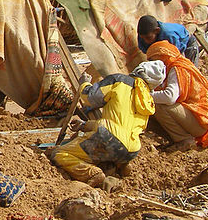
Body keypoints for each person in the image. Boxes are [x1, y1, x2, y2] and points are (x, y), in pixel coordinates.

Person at [50, 61, 165, 189]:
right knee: (106, 150)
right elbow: (119, 124)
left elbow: (90, 97)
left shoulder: (120, 81)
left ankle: (93, 174)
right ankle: (118, 165)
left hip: (107, 139)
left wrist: (84, 83)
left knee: (59, 154)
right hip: (132, 150)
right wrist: (85, 125)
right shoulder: (146, 98)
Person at [146, 40, 208, 149]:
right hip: (194, 118)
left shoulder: (177, 68)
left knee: (157, 105)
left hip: (201, 121)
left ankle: (185, 141)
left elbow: (170, 97)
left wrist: (145, 95)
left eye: (153, 60)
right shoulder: (171, 67)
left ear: (162, 56)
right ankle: (175, 139)